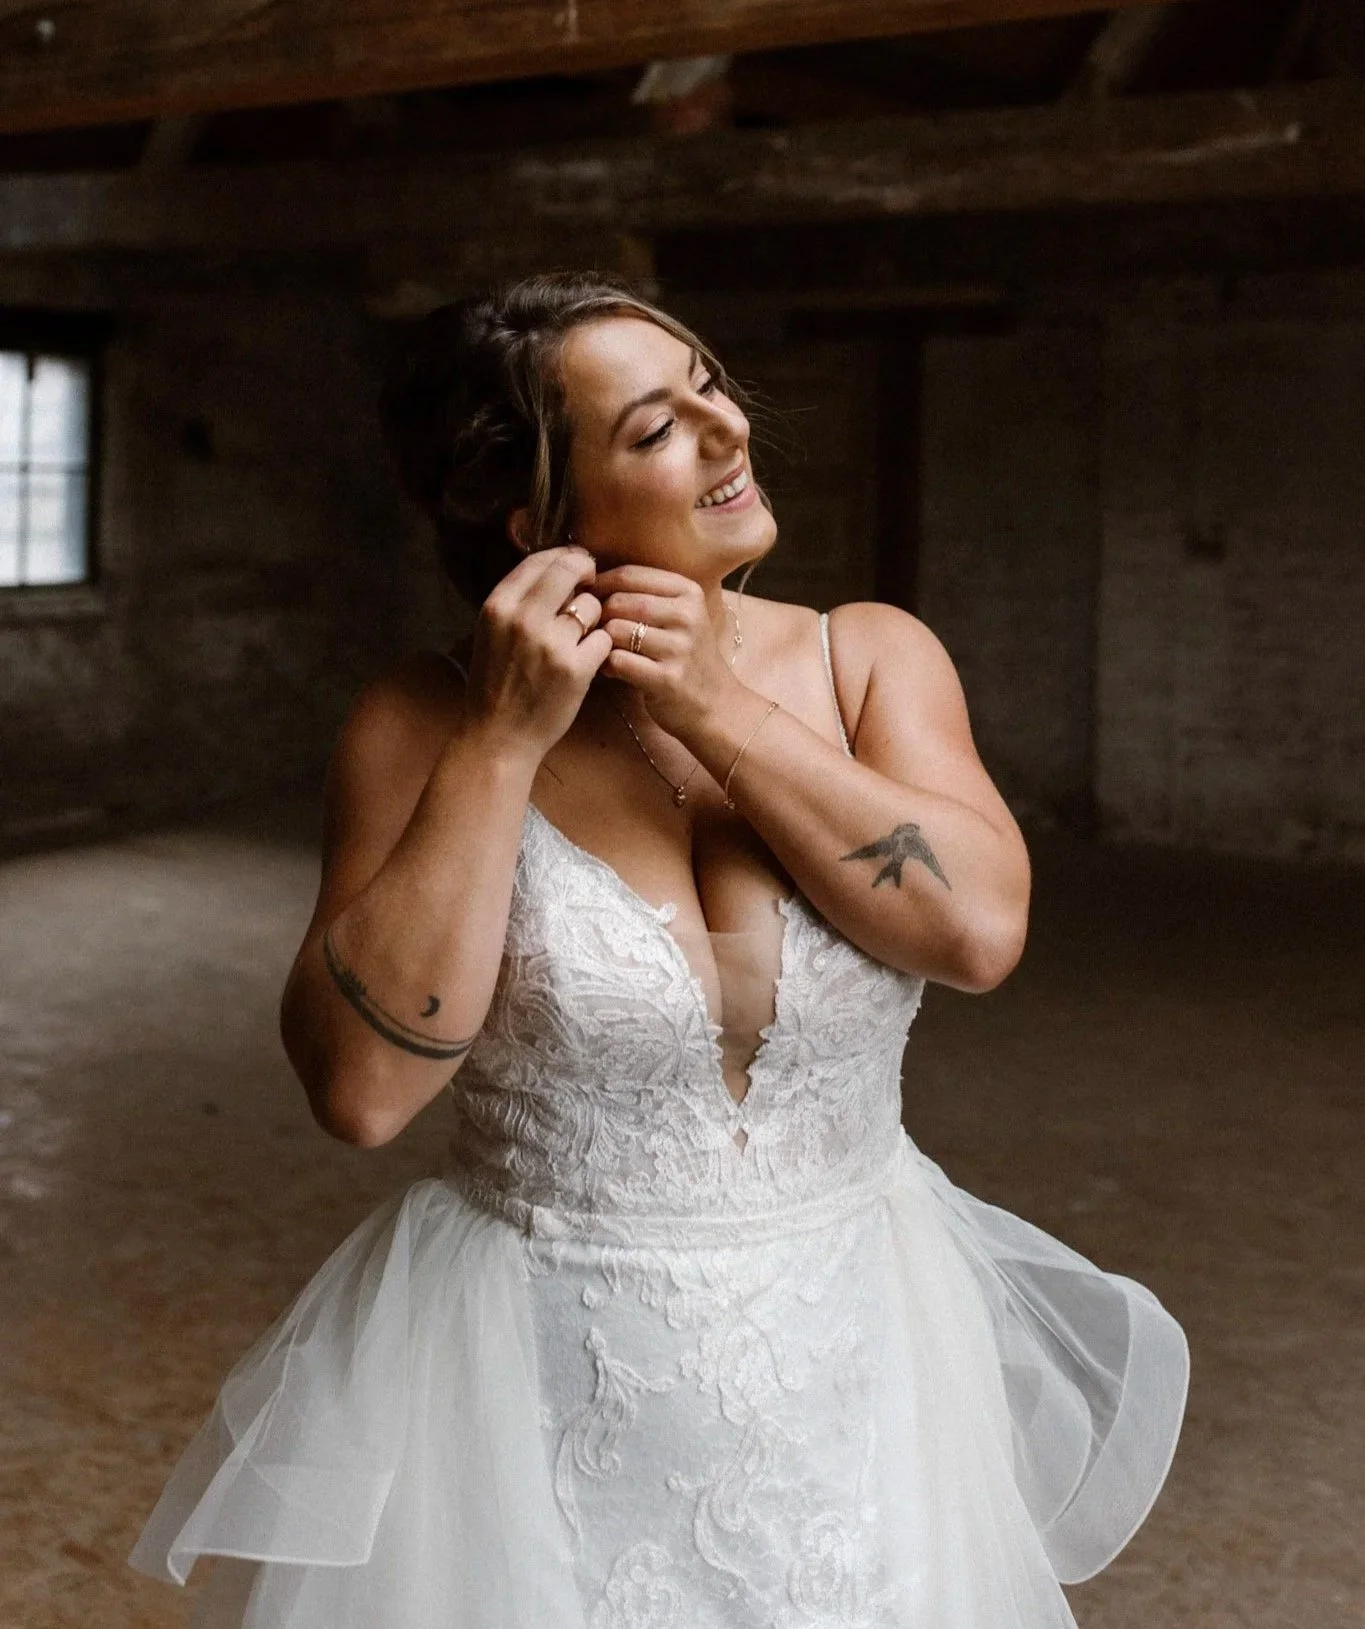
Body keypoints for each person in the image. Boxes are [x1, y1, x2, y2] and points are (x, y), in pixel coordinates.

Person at [129, 271, 1188, 1629]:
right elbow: (364, 1092)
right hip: (536, 1385)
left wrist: (716, 707)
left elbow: (978, 934)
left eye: (709, 385)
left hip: (862, 1349)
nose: (729, 428)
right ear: (538, 522)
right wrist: (499, 745)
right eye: (656, 428)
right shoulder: (419, 721)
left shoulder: (868, 660)